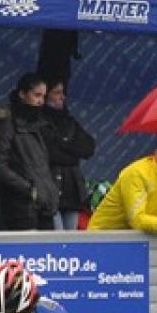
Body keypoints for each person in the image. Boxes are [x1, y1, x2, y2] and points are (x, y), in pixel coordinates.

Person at [0, 73, 59, 231]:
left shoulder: (39, 123)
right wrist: (29, 189)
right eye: (37, 95)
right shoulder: (7, 122)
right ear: (22, 94)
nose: (41, 101)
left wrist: (48, 191)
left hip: (44, 205)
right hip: (21, 207)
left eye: (43, 96)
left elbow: (44, 165)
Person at [42, 79, 95, 231]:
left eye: (63, 92)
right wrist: (73, 151)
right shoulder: (40, 122)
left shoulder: (69, 121)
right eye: (57, 93)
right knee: (57, 238)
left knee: (71, 238)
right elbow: (49, 154)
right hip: (51, 191)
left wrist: (62, 145)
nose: (62, 97)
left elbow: (89, 147)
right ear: (46, 96)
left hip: (72, 191)